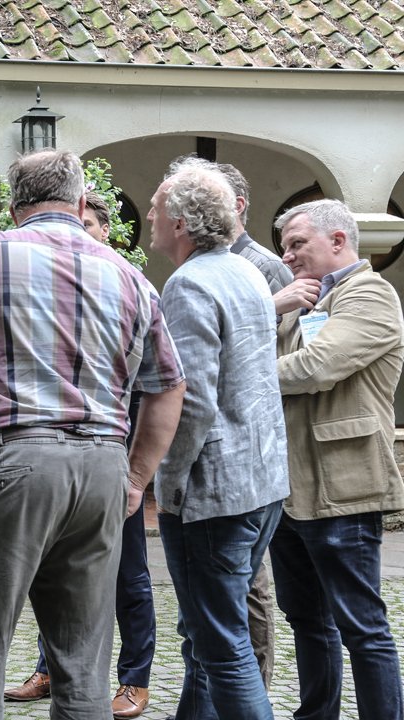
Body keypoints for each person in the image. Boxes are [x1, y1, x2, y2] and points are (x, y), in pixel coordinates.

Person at [0, 149, 186, 720]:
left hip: (13, 461)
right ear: (82, 202)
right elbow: (167, 386)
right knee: (83, 667)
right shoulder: (131, 277)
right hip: (103, 467)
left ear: (13, 208)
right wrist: (136, 477)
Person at [3, 193, 156, 719]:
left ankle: (135, 679)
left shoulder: (128, 290)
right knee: (52, 574)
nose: (79, 233)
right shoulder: (47, 296)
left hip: (112, 458)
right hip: (52, 455)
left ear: (106, 233)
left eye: (89, 225)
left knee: (129, 574)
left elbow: (160, 384)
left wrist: (137, 473)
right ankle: (50, 668)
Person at [148, 160, 289, 720]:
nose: (151, 215)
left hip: (215, 495)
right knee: (209, 640)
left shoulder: (189, 284)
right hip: (262, 483)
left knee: (221, 644)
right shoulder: (245, 271)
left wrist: (166, 481)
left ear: (181, 222)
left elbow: (193, 402)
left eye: (157, 207)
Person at [270, 198, 404, 720]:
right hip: (289, 489)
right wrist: (275, 308)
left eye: (297, 243)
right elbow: (285, 362)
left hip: (344, 487)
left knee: (361, 625)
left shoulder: (371, 294)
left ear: (339, 240)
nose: (288, 256)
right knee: (305, 618)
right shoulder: (301, 299)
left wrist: (242, 369)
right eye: (285, 247)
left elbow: (315, 367)